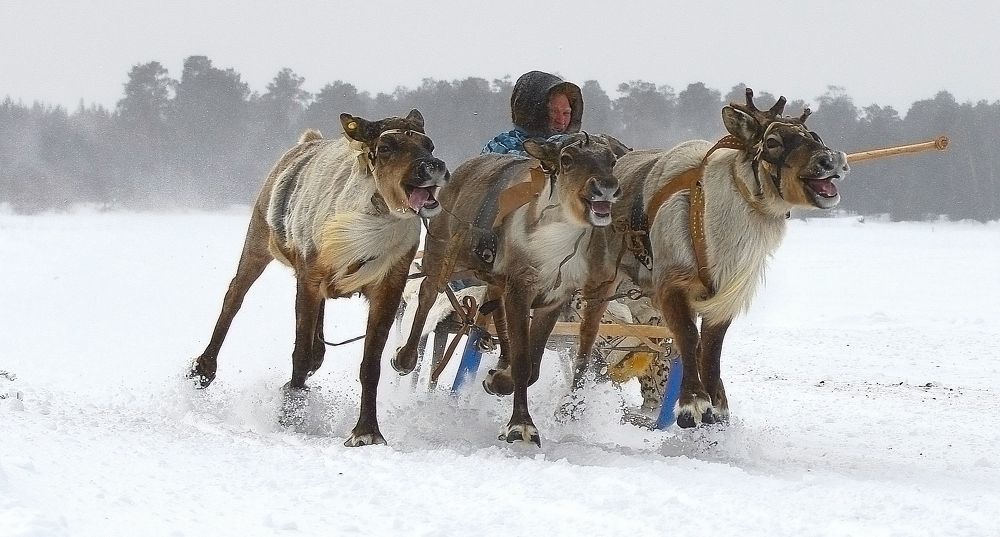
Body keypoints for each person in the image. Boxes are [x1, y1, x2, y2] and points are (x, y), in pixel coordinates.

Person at [482, 70, 583, 156]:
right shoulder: (499, 150)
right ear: (533, 110)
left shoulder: (580, 151)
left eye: (566, 113)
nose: (561, 120)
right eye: (553, 111)